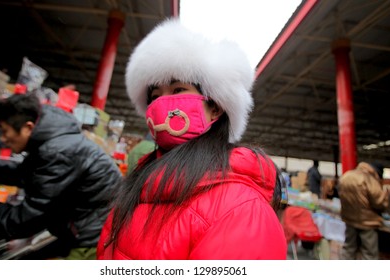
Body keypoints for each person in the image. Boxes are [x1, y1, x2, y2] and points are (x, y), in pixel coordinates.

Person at [97, 19, 287, 260]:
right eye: (155, 96)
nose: (161, 104)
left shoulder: (242, 209)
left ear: (216, 108)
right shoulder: (141, 183)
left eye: (178, 90)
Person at [0, 93, 122, 259]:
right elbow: (30, 174)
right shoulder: (54, 142)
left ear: (28, 127)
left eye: (5, 131)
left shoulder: (57, 150)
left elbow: (28, 219)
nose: (4, 139)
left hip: (90, 241)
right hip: (83, 228)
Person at [338, 162, 389, 260]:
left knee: (348, 248)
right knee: (369, 253)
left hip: (349, 219)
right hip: (367, 221)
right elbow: (379, 201)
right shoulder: (369, 179)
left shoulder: (346, 176)